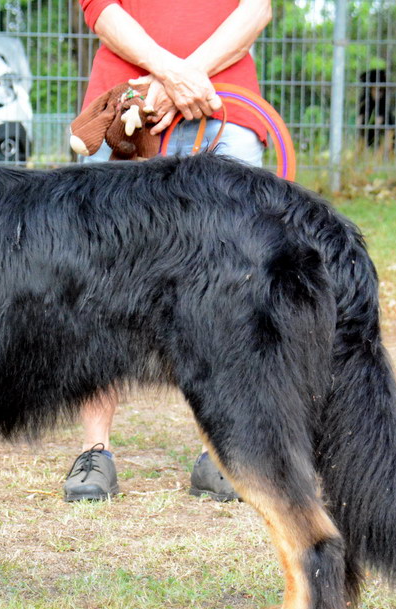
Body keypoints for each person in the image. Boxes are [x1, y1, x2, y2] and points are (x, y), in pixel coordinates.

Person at [63, 0, 272, 503]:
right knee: (100, 286)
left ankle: (223, 452)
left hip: (225, 107)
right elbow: (98, 7)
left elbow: (257, 9)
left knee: (234, 290)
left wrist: (181, 77)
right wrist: (172, 74)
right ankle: (95, 452)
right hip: (125, 111)